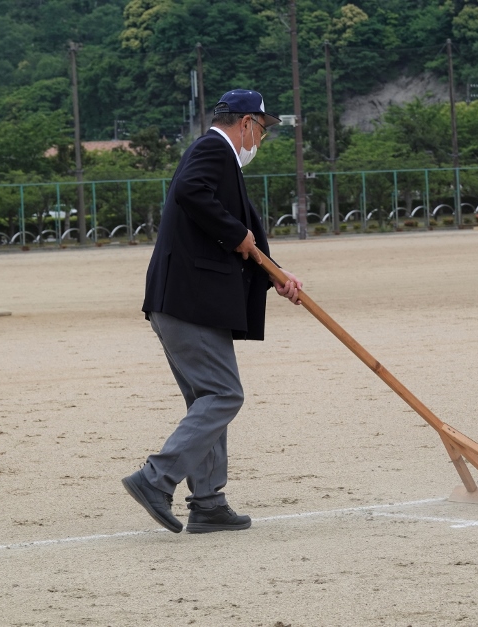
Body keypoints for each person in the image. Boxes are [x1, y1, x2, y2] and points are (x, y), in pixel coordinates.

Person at [123, 89, 302, 534]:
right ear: (245, 122)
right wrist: (235, 232)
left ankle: (208, 502)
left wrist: (276, 275)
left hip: (184, 301)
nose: (260, 138)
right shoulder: (213, 149)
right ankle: (155, 478)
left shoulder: (216, 156)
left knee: (207, 399)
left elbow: (241, 238)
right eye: (261, 128)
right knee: (224, 395)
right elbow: (193, 193)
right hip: (190, 302)